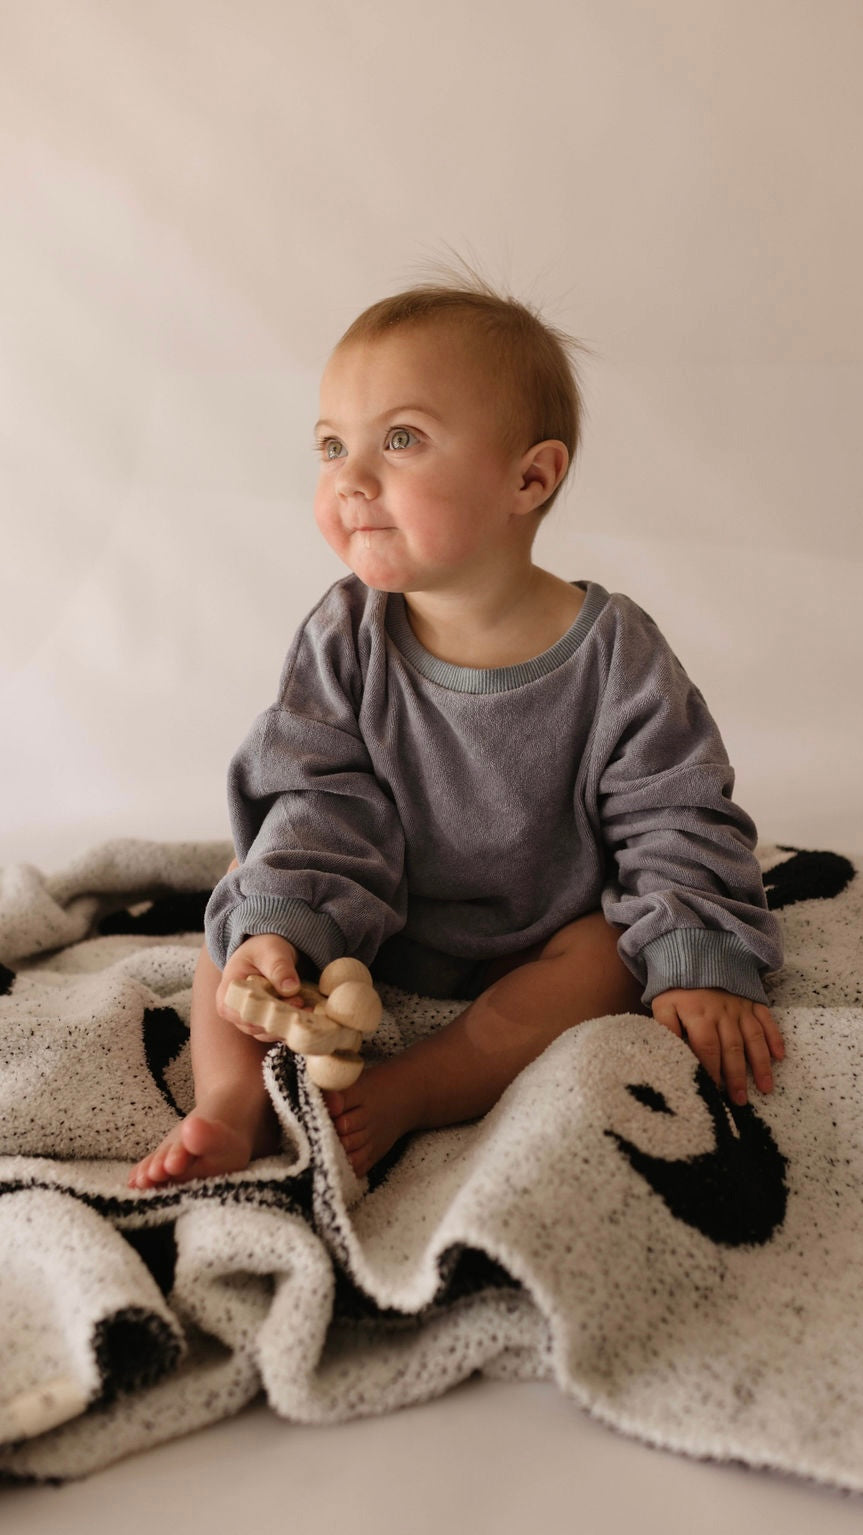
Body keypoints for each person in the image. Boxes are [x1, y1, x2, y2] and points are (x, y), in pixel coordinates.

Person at [129, 275, 785, 1190]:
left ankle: (414, 1090)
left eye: (400, 439)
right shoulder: (343, 633)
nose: (350, 477)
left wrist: (695, 954)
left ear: (529, 476)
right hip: (365, 915)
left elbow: (673, 810)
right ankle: (229, 1104)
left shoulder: (613, 654)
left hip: (536, 928)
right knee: (242, 895)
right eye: (331, 445)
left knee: (604, 960)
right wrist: (285, 930)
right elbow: (316, 793)